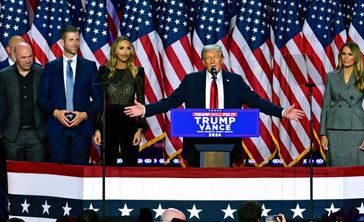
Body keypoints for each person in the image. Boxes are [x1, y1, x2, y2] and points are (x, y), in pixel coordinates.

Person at [124, 44, 305, 167]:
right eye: (208, 58)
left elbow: (255, 101)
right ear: (203, 62)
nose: (212, 61)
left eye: (216, 57)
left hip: (227, 142)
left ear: (222, 60)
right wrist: (146, 109)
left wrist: (281, 112)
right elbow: (171, 102)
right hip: (197, 144)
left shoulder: (235, 81)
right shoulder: (192, 80)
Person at [37, 26, 103, 165]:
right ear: (62, 42)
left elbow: (98, 98)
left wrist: (84, 114)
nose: (75, 43)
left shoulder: (89, 66)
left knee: (80, 175)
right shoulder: (50, 67)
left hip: (82, 130)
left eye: (77, 39)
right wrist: (56, 113)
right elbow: (42, 98)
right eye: (71, 40)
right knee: (59, 175)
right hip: (57, 130)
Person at [93, 36, 147, 166]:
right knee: (108, 164)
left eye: (128, 48)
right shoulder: (104, 72)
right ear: (115, 51)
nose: (125, 52)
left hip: (129, 121)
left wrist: (139, 129)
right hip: (109, 123)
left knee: (131, 165)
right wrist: (97, 129)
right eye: (121, 48)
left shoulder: (137, 72)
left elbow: (141, 102)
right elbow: (100, 103)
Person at [319, 42, 364, 167]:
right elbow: (326, 106)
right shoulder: (331, 76)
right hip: (335, 128)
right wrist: (323, 134)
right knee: (335, 169)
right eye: (343, 54)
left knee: (357, 169)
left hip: (357, 129)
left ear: (356, 57)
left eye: (350, 54)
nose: (346, 57)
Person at [0, 42, 47, 162]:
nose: (28, 60)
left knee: (37, 176)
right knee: (13, 178)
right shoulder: (4, 76)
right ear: (15, 57)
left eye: (30, 56)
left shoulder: (41, 73)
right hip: (12, 136)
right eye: (24, 57)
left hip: (37, 135)